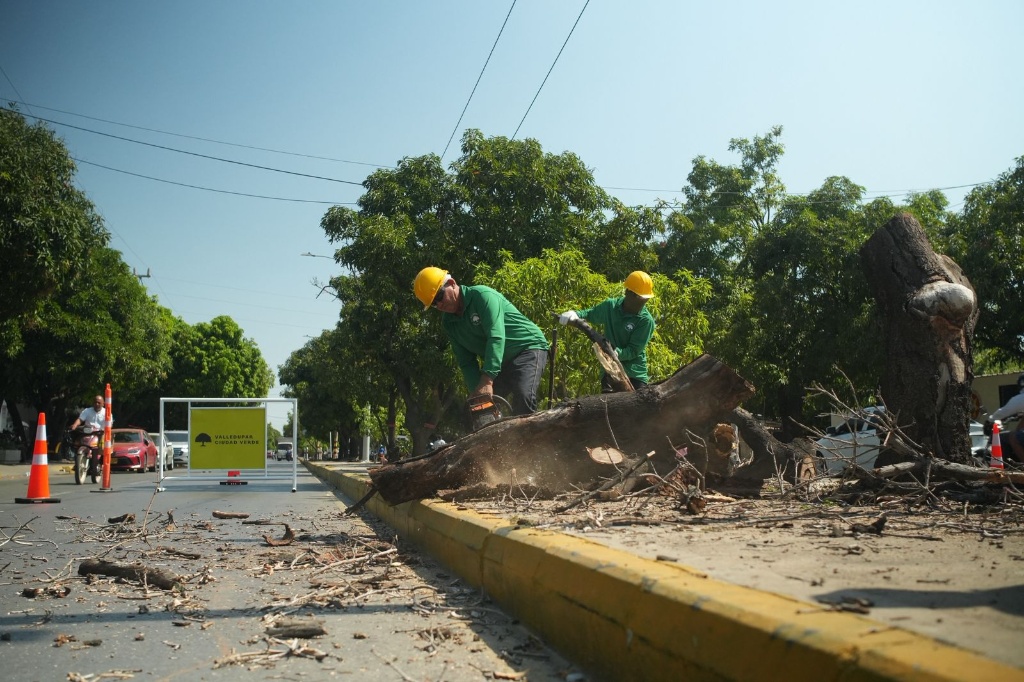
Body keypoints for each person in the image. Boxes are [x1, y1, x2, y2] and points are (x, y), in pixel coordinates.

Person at [414, 266, 550, 415]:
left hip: (527, 348)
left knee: (523, 397)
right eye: (433, 303)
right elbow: (466, 362)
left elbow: (496, 337)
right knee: (477, 410)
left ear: (452, 283)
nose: (439, 305)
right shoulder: (449, 323)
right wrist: (477, 393)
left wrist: (487, 380)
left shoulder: (482, 296)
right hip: (499, 363)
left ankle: (533, 437)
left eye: (439, 296)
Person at [559, 270, 656, 393]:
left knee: (640, 407)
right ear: (627, 292)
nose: (643, 302)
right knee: (608, 408)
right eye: (639, 297)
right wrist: (575, 315)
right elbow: (590, 314)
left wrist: (616, 352)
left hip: (634, 373)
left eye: (645, 299)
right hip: (609, 370)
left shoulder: (645, 321)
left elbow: (633, 350)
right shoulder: (610, 307)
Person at [987, 373, 1024, 462]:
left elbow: (1002, 413)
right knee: (1016, 433)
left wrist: (990, 420)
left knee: (1012, 437)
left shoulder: (1019, 399)